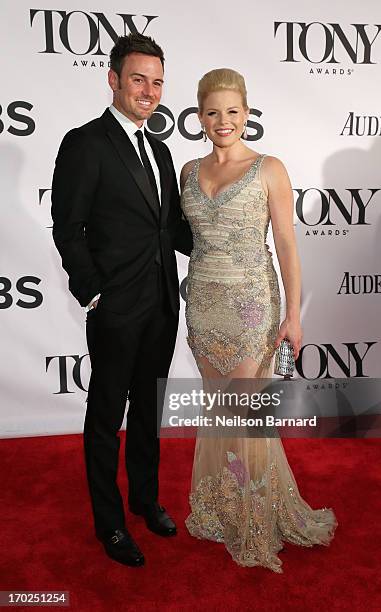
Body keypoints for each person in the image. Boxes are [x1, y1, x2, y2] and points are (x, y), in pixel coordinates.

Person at [180, 68, 337, 572]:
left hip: (252, 305)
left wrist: (294, 313)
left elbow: (287, 243)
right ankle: (224, 505)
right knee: (219, 409)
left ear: (246, 114)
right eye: (212, 112)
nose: (222, 121)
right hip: (202, 302)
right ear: (199, 117)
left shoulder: (270, 167)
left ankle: (255, 519)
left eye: (232, 111)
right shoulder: (187, 170)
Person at [51, 33, 193, 567]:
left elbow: (172, 229)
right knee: (107, 414)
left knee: (149, 410)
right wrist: (91, 293)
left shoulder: (160, 148)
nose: (149, 90)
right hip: (114, 307)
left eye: (157, 82)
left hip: (161, 302)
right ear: (113, 79)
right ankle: (109, 525)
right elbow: (69, 227)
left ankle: (145, 500)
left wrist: (228, 237)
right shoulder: (85, 143)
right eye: (138, 79)